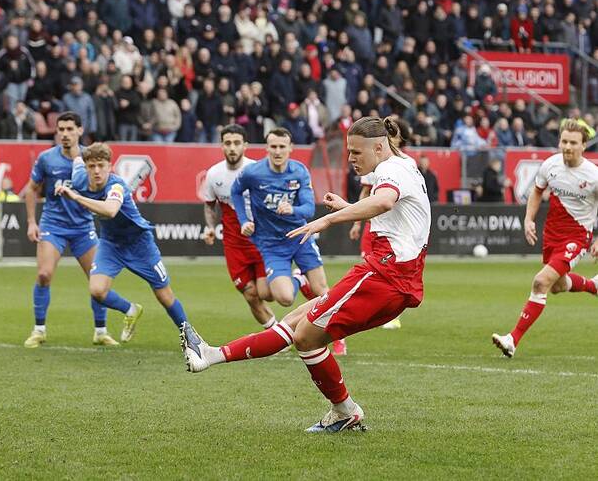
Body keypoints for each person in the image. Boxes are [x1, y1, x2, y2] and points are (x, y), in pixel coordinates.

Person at [182, 117, 431, 433]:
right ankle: (210, 355)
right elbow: (395, 211)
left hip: (387, 276)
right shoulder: (403, 166)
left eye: (355, 152)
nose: (351, 159)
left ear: (379, 147)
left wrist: (330, 220)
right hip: (385, 274)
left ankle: (345, 411)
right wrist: (347, 205)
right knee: (296, 321)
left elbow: (384, 202)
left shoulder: (390, 170)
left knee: (305, 336)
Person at [56, 142, 190, 337]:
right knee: (97, 290)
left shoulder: (117, 186)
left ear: (110, 166)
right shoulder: (78, 178)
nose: (96, 171)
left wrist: (75, 198)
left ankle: (190, 337)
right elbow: (77, 159)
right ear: (86, 168)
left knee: (164, 295)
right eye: (91, 166)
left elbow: (110, 210)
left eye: (101, 165)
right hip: (110, 244)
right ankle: (131, 309)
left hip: (139, 244)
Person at [23, 113, 131, 348]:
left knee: (97, 281)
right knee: (44, 274)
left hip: (83, 228)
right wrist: (32, 222)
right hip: (53, 225)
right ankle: (39, 330)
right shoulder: (46, 159)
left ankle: (100, 331)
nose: (64, 134)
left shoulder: (90, 159)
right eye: (60, 129)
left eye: (70, 129)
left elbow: (108, 192)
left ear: (80, 131)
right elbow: (31, 190)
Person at [492, 120, 598, 358]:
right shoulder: (550, 165)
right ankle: (593, 285)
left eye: (573, 142)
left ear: (583, 146)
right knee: (558, 286)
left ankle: (512, 339)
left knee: (541, 282)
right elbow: (537, 191)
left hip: (577, 236)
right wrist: (529, 219)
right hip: (552, 235)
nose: (567, 146)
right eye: (564, 141)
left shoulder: (593, 175)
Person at [230, 128, 327, 308]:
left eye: (282, 146)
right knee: (285, 298)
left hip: (300, 236)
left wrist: (292, 210)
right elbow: (235, 191)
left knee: (322, 290)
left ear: (291, 148)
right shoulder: (252, 173)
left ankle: (338, 336)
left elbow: (309, 210)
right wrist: (243, 220)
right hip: (271, 243)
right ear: (266, 148)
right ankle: (299, 279)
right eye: (273, 146)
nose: (277, 151)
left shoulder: (299, 172)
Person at [202, 125, 275, 328]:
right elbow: (209, 207)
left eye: (236, 143)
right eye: (227, 143)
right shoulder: (214, 174)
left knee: (266, 293)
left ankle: (295, 278)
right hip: (234, 244)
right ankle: (277, 335)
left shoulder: (258, 170)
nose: (232, 148)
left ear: (245, 146)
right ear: (222, 146)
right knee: (250, 294)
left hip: (260, 241)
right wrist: (209, 227)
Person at [345, 119, 411, 339]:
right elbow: (366, 193)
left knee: (385, 273)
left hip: (394, 230)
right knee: (369, 266)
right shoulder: (372, 160)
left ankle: (385, 313)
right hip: (374, 224)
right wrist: (356, 222)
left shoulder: (405, 164)